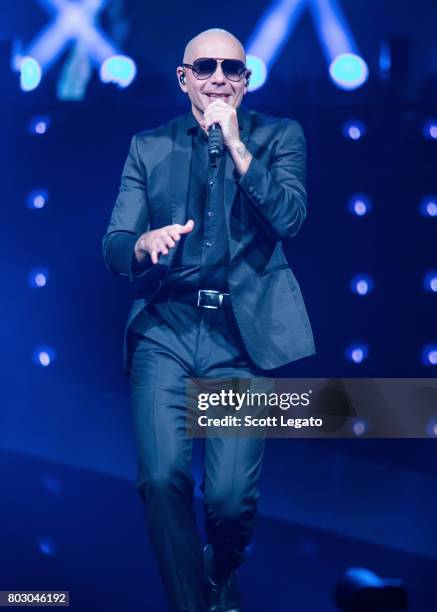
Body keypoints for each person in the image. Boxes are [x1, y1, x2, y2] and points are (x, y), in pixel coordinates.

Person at [102, 27, 315, 612]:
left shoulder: (279, 137)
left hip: (241, 342)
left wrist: (239, 148)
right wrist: (144, 244)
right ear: (184, 79)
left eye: (231, 69)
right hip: (166, 332)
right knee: (161, 477)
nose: (218, 78)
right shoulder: (150, 146)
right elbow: (115, 245)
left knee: (226, 501)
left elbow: (290, 219)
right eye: (206, 68)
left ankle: (219, 568)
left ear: (246, 80)